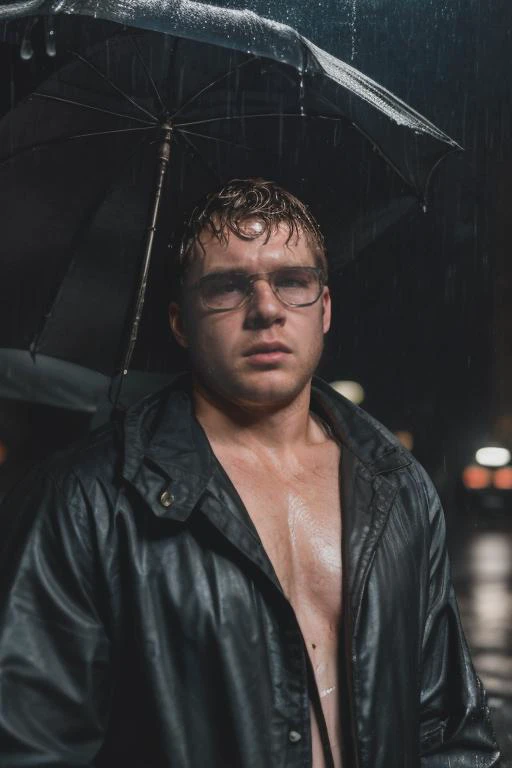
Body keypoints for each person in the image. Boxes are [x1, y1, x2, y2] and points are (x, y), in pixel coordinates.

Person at [0, 179, 500, 768]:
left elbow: (449, 730)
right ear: (180, 321)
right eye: (227, 287)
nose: (266, 309)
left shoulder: (398, 487)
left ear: (326, 309)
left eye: (292, 282)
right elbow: (32, 747)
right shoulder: (83, 501)